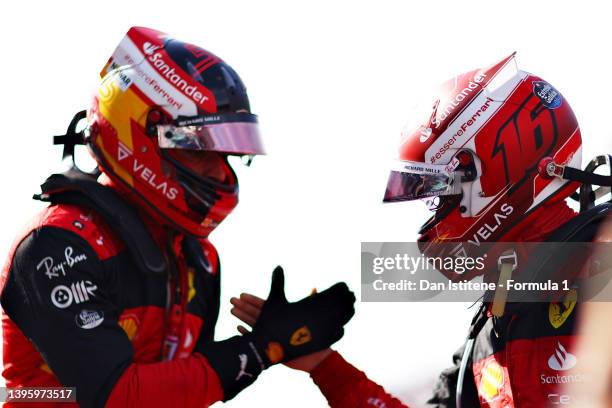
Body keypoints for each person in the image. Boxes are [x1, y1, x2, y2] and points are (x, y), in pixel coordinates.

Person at [0, 27, 355, 407]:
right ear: (140, 138)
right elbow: (113, 396)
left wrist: (291, 347)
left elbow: (184, 390)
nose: (220, 173)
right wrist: (261, 348)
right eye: (200, 149)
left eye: (226, 154)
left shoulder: (201, 257)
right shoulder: (55, 246)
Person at [232, 54, 612, 407]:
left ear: (498, 169)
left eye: (442, 195)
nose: (435, 215)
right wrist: (323, 364)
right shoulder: (495, 324)